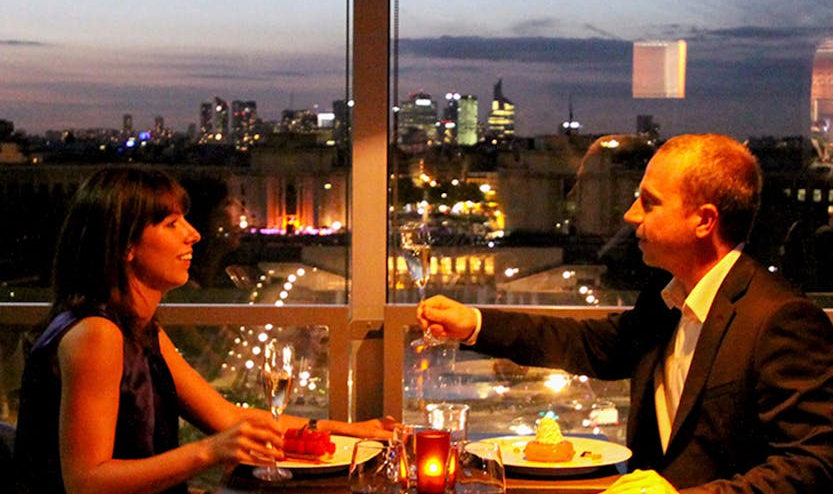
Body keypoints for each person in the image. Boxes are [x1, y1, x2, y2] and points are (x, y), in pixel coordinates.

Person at [417, 134, 833, 493]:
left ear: (704, 221)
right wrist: (474, 324)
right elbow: (589, 345)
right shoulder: (666, 298)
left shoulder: (781, 320)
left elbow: (813, 465)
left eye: (649, 203)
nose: (630, 214)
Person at [13, 167, 397, 494]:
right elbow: (86, 482)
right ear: (125, 246)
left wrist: (352, 431)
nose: (193, 234)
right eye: (171, 224)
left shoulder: (138, 329)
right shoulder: (97, 335)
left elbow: (229, 418)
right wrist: (210, 451)